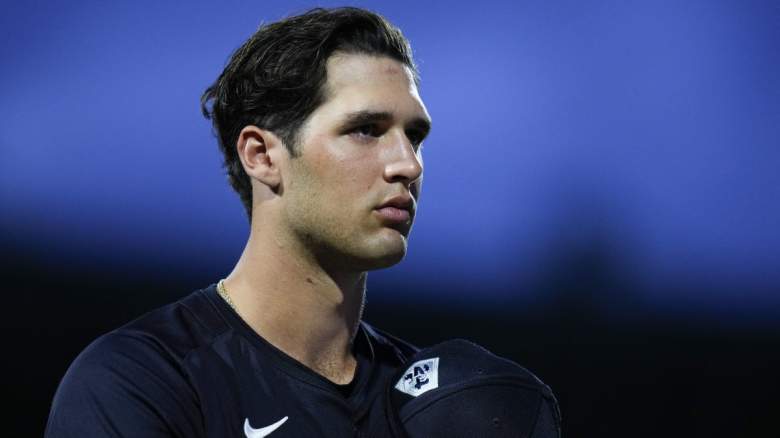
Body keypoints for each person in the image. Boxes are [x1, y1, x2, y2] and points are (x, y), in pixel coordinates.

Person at [45, 7, 560, 437]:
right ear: (261, 155)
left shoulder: (436, 404)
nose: (408, 164)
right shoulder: (141, 381)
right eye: (366, 129)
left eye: (415, 136)